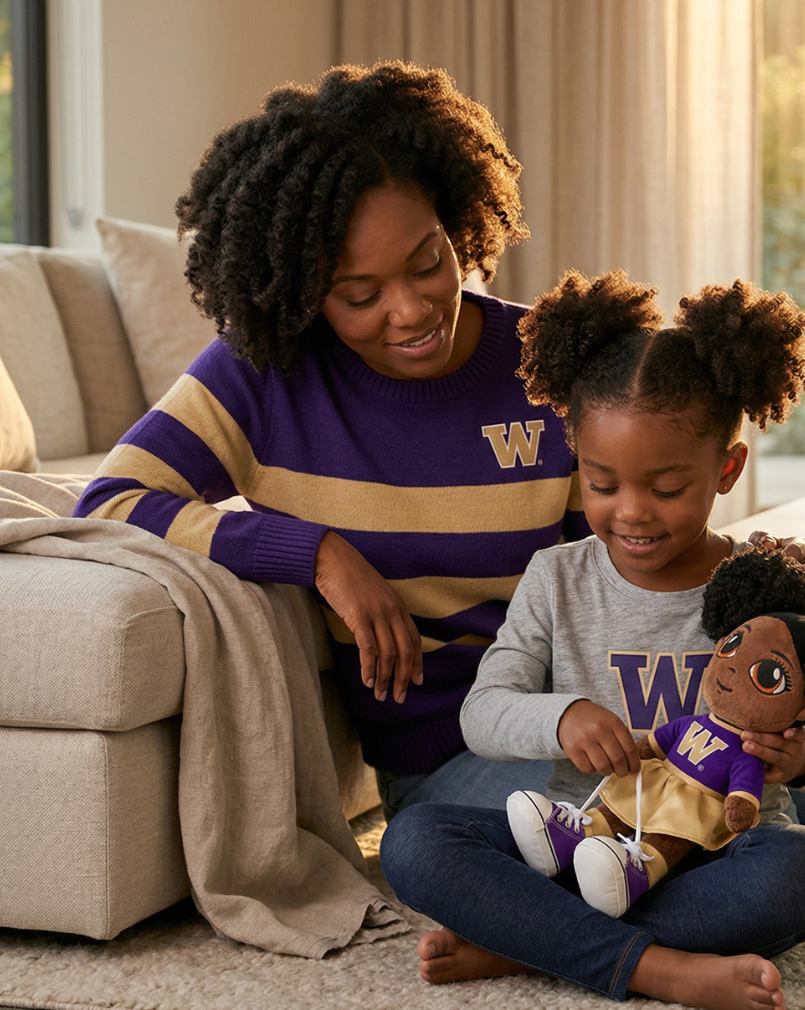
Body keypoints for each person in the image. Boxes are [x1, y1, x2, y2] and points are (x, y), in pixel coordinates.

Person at [380, 269, 805, 1010]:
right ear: (577, 456)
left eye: (666, 489)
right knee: (414, 841)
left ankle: (531, 942)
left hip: (719, 857)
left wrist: (801, 759)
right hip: (580, 844)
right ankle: (660, 967)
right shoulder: (556, 578)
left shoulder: (765, 586)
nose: (632, 513)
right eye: (603, 484)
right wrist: (562, 717)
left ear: (726, 469)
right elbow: (484, 712)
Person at [73, 62, 589, 817]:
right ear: (308, 294)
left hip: (597, 714)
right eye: (361, 295)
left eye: (428, 262)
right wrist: (316, 552)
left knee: (738, 802)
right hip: (447, 760)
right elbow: (109, 501)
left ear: (456, 223)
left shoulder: (548, 359)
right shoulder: (265, 377)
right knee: (637, 830)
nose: (411, 311)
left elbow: (616, 564)